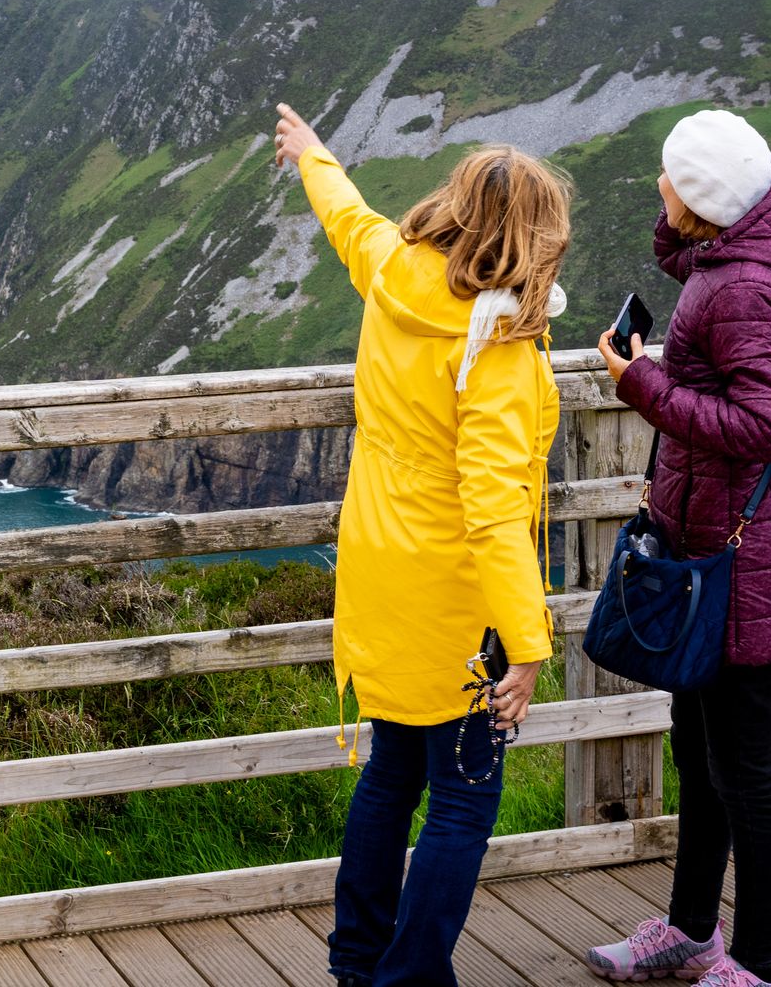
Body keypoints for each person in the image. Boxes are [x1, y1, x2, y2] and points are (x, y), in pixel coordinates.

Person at [272, 102, 572, 987]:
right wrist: (526, 642)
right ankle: (406, 981)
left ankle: (359, 960)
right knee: (464, 800)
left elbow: (351, 222)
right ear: (532, 237)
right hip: (457, 600)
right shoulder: (499, 352)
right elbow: (490, 507)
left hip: (378, 568)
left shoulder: (396, 272)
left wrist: (315, 156)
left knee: (393, 769)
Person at [586, 109, 771, 987]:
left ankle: (757, 967)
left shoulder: (741, 289)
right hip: (716, 554)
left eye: (672, 179)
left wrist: (640, 383)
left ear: (702, 198)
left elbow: (768, 424)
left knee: (749, 778)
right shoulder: (733, 265)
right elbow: (690, 268)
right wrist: (659, 364)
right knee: (701, 755)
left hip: (744, 564)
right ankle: (694, 931)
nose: (659, 184)